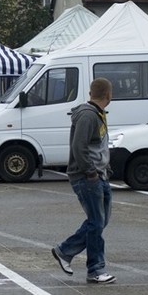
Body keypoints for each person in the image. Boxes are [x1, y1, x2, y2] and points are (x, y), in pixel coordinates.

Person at [51, 77, 116, 284]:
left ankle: (65, 251)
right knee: (96, 222)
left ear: (91, 93)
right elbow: (79, 147)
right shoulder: (88, 116)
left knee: (100, 221)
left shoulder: (97, 114)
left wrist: (105, 168)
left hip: (99, 174)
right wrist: (90, 172)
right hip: (88, 177)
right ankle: (95, 269)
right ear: (108, 95)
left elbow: (98, 146)